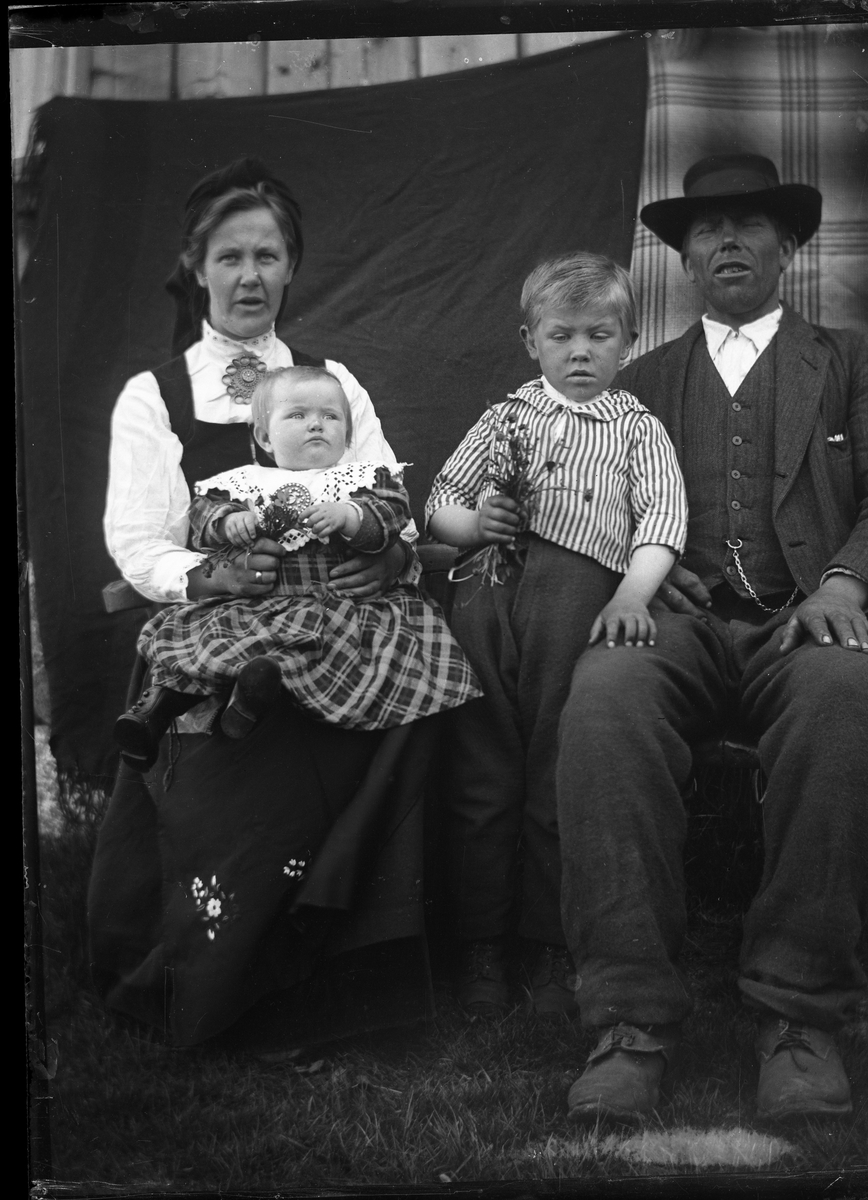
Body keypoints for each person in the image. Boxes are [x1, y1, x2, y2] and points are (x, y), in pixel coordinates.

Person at [558, 155, 868, 1123]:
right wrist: (635, 557)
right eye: (705, 229)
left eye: (748, 225)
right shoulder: (637, 379)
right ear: (681, 259)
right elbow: (588, 500)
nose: (725, 241)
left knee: (847, 699)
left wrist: (844, 584)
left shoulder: (849, 360)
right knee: (600, 703)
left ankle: (796, 1018)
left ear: (787, 247)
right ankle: (629, 1027)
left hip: (802, 621)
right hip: (678, 622)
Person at [88, 159, 441, 1052]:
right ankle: (221, 986)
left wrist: (386, 557)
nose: (251, 277)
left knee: (413, 701)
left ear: (292, 268)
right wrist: (210, 579)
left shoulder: (333, 384)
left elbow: (382, 490)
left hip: (341, 625)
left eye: (270, 257)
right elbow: (137, 542)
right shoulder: (155, 395)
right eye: (232, 257)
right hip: (221, 627)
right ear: (196, 268)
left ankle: (346, 982)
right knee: (252, 748)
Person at [426, 253, 688, 1019]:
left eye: (599, 335)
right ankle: (481, 945)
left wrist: (635, 595)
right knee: (482, 770)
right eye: (562, 335)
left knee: (554, 767)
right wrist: (475, 522)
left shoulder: (637, 430)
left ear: (629, 341)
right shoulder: (506, 416)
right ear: (529, 340)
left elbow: (662, 522)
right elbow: (440, 499)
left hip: (575, 602)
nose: (581, 352)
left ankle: (546, 942)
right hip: (486, 596)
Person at [115, 364, 480, 759]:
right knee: (202, 632)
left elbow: (393, 516)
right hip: (259, 603)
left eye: (330, 416)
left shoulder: (362, 479)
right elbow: (204, 515)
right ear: (264, 437)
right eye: (297, 415)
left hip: (336, 603)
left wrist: (352, 518)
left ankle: (250, 700)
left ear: (347, 433)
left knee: (325, 647)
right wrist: (229, 522)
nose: (316, 425)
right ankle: (159, 708)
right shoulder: (245, 482)